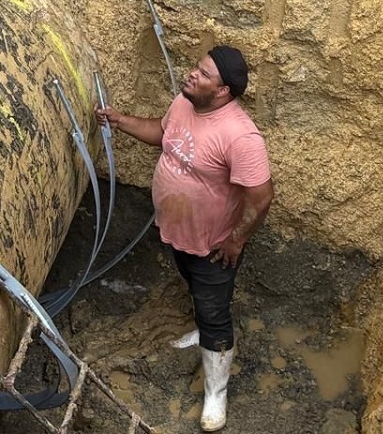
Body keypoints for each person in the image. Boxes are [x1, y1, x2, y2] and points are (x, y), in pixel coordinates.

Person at [96, 46, 273, 433]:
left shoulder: (240, 136)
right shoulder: (183, 102)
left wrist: (236, 241)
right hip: (176, 231)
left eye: (203, 73)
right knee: (194, 287)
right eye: (196, 66)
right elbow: (163, 134)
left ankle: (216, 393)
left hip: (214, 247)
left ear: (223, 90)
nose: (192, 74)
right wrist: (121, 120)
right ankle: (205, 332)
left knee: (214, 313)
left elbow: (261, 199)